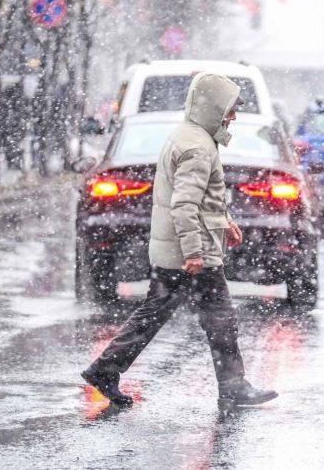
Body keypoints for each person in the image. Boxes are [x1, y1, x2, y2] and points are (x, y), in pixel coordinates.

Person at [81, 73, 278, 412]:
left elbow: (199, 198)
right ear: (212, 108)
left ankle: (104, 369)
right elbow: (184, 204)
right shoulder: (198, 147)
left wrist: (224, 221)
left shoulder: (191, 136)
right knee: (220, 318)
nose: (233, 117)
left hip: (179, 250)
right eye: (229, 110)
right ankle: (233, 387)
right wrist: (195, 253)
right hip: (189, 254)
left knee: (154, 314)